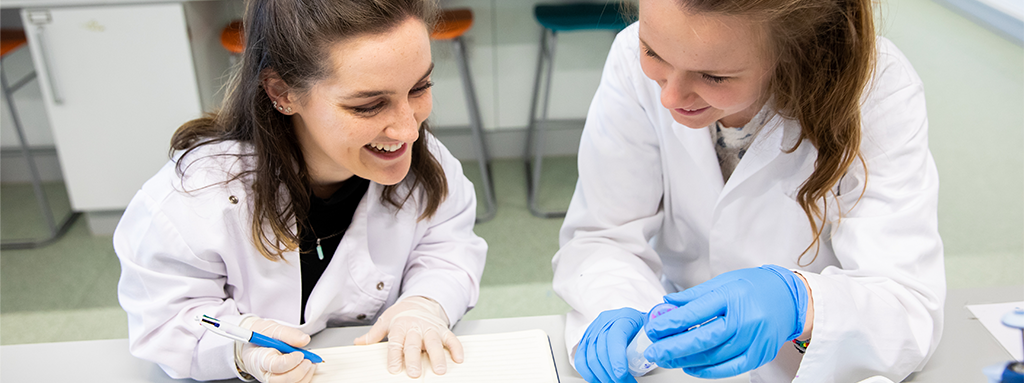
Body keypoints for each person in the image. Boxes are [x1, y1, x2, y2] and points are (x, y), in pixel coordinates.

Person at [552, 0, 944, 381]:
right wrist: (621, 303)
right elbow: (605, 233)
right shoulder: (628, 58)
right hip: (677, 356)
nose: (670, 97)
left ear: (796, 52)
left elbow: (906, 307)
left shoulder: (876, 90)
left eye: (713, 77)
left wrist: (802, 303)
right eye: (652, 52)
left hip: (808, 363)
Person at [113, 1, 487, 382]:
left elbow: (447, 249)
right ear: (283, 92)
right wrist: (241, 351)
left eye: (420, 87)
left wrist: (425, 303)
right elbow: (168, 319)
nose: (409, 130)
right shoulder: (193, 200)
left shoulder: (428, 166)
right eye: (369, 105)